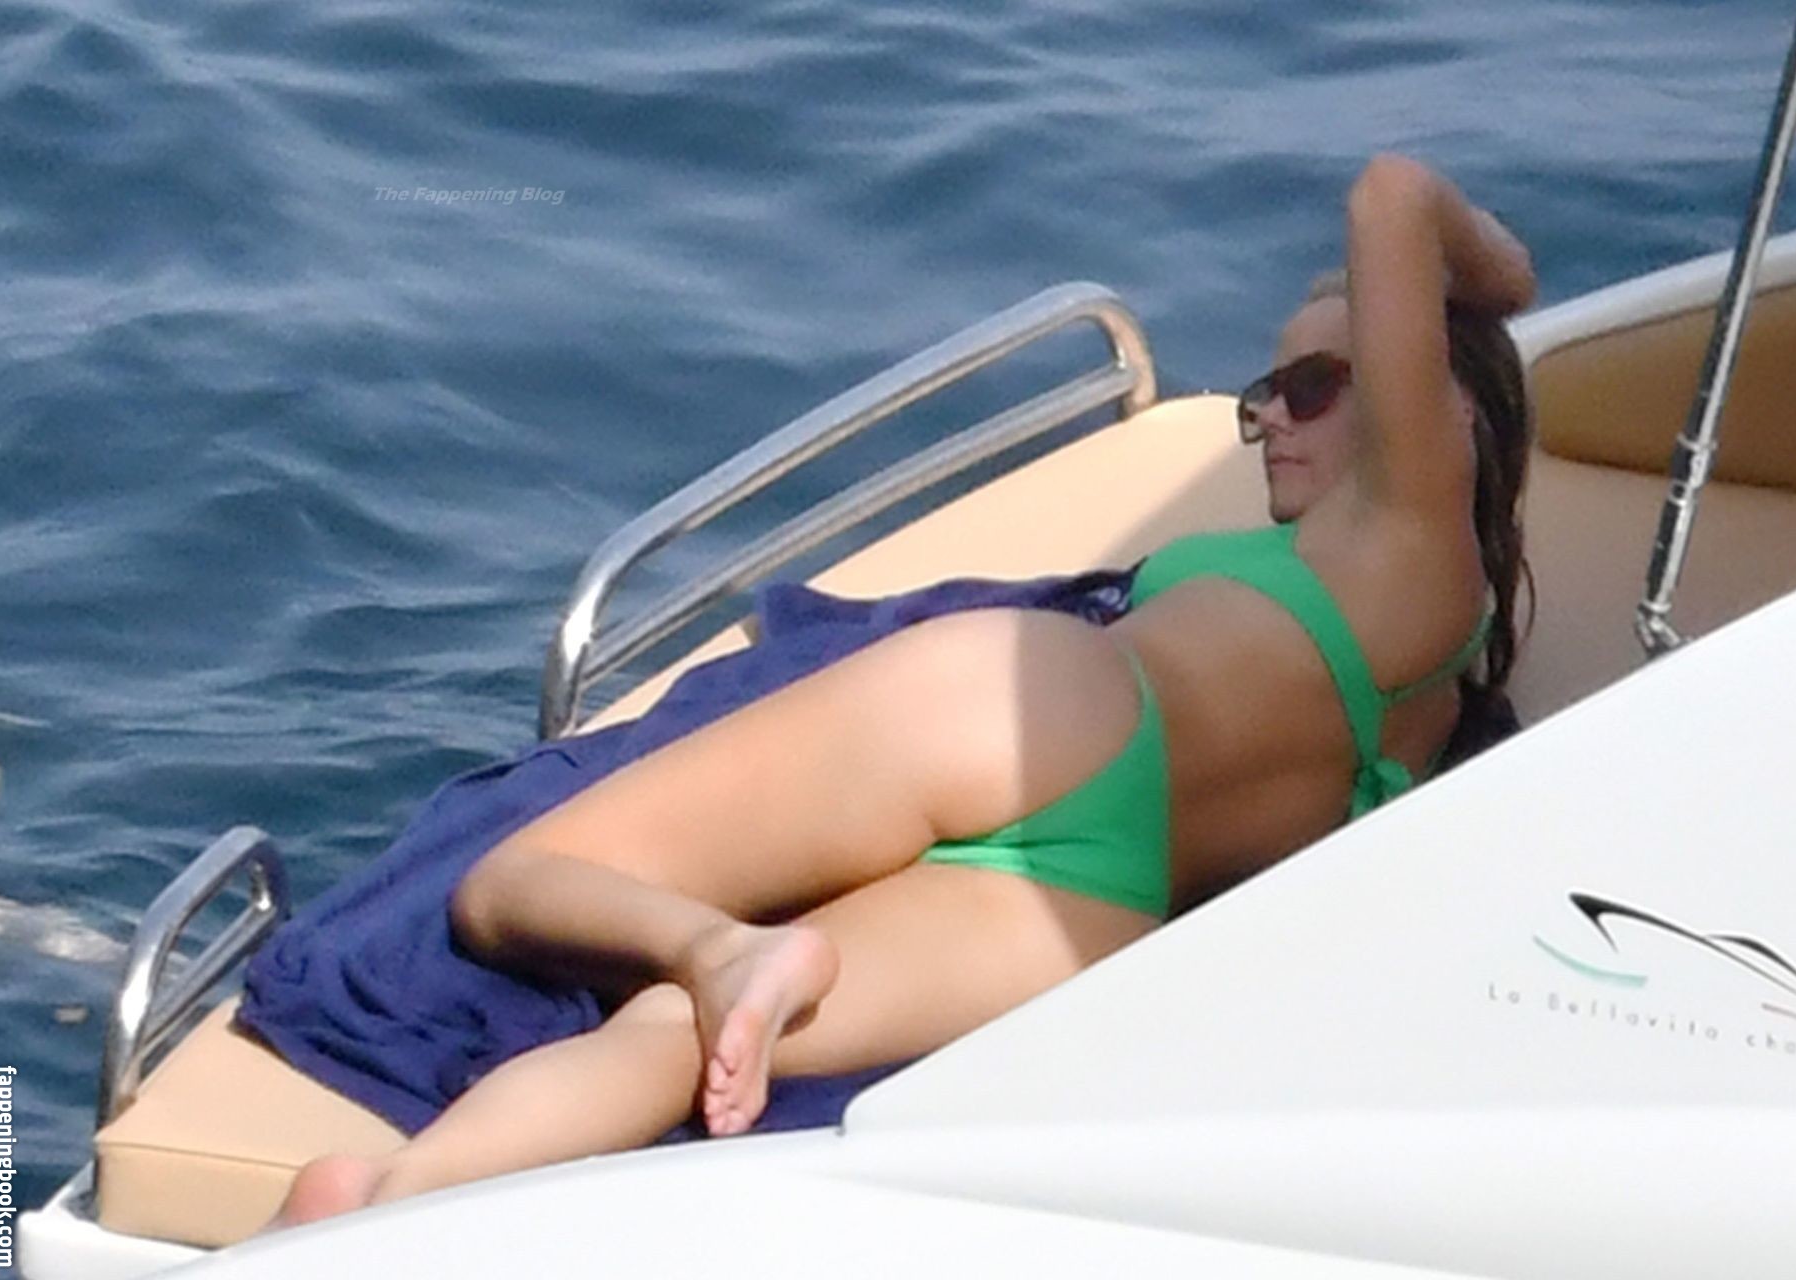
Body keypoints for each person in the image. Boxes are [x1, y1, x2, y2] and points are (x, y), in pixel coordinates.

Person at [272, 151, 1537, 1227]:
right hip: (1104, 896)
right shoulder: (1427, 686)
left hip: (1041, 711)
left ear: (1449, 417)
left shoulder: (1409, 532)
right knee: (668, 1044)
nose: (1268, 419)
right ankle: (389, 1206)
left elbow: (1392, 191)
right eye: (1260, 397)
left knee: (510, 883)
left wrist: (1504, 288)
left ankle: (711, 952)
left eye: (1314, 383)